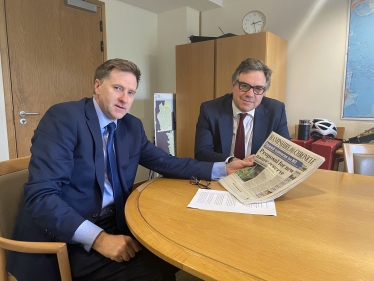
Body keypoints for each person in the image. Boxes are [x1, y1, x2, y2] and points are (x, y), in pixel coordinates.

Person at [7, 58, 254, 281]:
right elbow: (42, 197)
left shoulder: (131, 126)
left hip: (114, 221)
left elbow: (166, 162)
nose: (125, 98)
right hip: (64, 238)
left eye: (131, 92)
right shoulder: (64, 118)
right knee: (153, 272)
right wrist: (99, 239)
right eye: (117, 88)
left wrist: (223, 168)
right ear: (97, 86)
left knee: (171, 255)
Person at [194, 58, 290, 163]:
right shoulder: (210, 110)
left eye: (258, 88)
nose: (250, 94)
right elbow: (202, 153)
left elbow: (284, 154)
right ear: (233, 85)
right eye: (244, 86)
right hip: (223, 173)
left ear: (264, 91)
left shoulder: (276, 110)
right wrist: (232, 161)